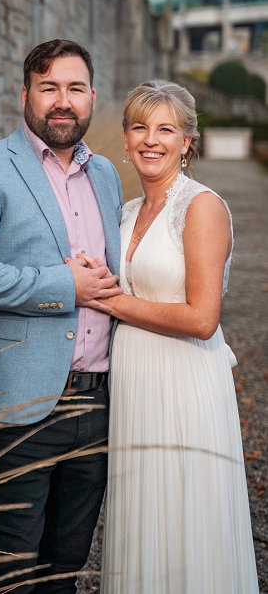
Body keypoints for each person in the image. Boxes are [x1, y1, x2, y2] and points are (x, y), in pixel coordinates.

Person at [0, 39, 123, 594]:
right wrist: (64, 285)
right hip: (18, 402)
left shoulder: (108, 175)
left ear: (91, 97)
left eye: (73, 89)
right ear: (26, 96)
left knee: (65, 566)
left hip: (97, 400)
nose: (61, 102)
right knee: (9, 567)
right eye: (48, 89)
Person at [74, 80, 258, 594]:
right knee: (142, 512)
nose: (150, 140)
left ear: (186, 141)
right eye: (139, 127)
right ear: (127, 139)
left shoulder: (201, 208)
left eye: (165, 129)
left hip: (184, 381)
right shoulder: (125, 213)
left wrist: (106, 299)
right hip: (134, 386)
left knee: (185, 513)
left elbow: (202, 317)